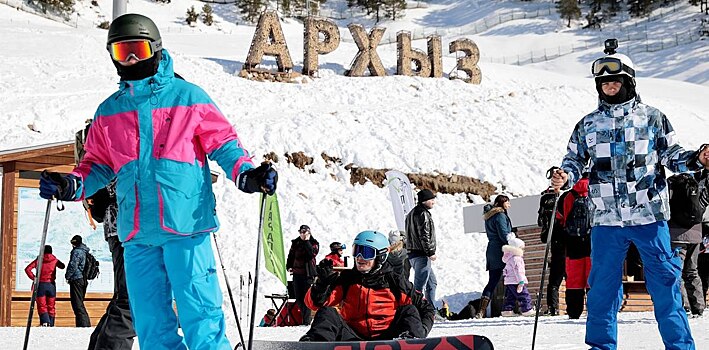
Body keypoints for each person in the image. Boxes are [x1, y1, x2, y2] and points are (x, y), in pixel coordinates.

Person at [38, 13, 277, 350]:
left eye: (137, 49)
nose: (132, 59)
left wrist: (246, 173)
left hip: (186, 227)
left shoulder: (187, 97)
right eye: (123, 52)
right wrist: (70, 184)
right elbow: (98, 164)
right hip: (137, 234)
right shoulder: (109, 112)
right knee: (151, 328)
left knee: (201, 319)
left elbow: (223, 143)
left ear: (156, 49)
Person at [551, 42, 707, 349]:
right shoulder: (588, 124)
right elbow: (573, 160)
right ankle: (601, 345)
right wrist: (564, 175)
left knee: (664, 283)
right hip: (607, 219)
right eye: (604, 82)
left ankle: (680, 346)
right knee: (602, 289)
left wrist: (696, 159)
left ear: (629, 82)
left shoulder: (652, 118)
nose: (610, 86)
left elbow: (672, 154)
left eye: (616, 80)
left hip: (648, 215)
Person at [300, 230, 435, 341]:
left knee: (409, 310)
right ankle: (315, 344)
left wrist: (421, 332)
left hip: (389, 338)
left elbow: (426, 308)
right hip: (353, 338)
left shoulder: (395, 282)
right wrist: (322, 284)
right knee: (327, 312)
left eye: (366, 252)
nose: (359, 257)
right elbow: (313, 304)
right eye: (356, 250)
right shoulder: (348, 279)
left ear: (380, 256)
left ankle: (412, 341)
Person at [88, 180, 137, 349]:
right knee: (130, 298)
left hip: (120, 228)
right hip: (129, 227)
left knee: (125, 297)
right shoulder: (119, 156)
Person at [668, 170, 709, 317]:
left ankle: (683, 305)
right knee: (692, 271)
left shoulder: (671, 184)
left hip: (676, 234)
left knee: (676, 272)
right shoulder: (697, 184)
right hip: (696, 234)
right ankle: (698, 307)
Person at [556, 175, 592, 319]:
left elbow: (560, 219)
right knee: (593, 277)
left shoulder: (567, 196)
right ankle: (595, 310)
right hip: (593, 241)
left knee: (574, 278)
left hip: (572, 243)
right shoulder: (597, 192)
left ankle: (574, 311)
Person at [477, 194, 514, 318]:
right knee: (512, 278)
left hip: (491, 250)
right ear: (502, 203)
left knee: (492, 281)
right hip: (501, 251)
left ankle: (481, 310)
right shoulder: (500, 216)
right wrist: (514, 244)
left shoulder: (490, 217)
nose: (509, 205)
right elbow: (504, 234)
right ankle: (509, 308)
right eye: (508, 202)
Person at [405, 189, 438, 308]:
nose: (434, 201)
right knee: (419, 287)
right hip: (421, 254)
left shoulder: (411, 213)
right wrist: (430, 252)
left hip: (413, 254)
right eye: (431, 199)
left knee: (432, 283)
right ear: (425, 201)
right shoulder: (422, 214)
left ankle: (431, 310)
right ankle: (416, 311)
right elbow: (424, 235)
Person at [286, 224, 319, 325]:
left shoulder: (313, 243)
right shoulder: (295, 243)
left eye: (304, 232)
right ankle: (305, 319)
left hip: (308, 274)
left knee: (306, 298)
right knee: (298, 298)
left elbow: (311, 254)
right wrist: (289, 266)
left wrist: (306, 242)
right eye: (300, 232)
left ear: (309, 233)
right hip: (297, 274)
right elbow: (291, 255)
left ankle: (306, 321)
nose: (302, 234)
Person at [24, 245, 65, 327]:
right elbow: (62, 266)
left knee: (42, 305)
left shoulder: (39, 260)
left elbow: (27, 269)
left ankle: (45, 322)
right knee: (51, 306)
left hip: (41, 285)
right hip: (51, 285)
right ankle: (51, 323)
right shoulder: (55, 260)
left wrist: (34, 278)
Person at [501, 238, 534, 317]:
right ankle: (527, 309)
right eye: (522, 248)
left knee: (511, 296)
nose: (523, 250)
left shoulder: (509, 258)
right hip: (517, 281)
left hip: (510, 281)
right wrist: (521, 281)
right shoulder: (516, 258)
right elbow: (518, 271)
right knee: (524, 295)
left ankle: (507, 310)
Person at [66, 235, 91, 327]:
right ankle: (82, 324)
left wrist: (67, 276)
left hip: (77, 279)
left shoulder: (77, 252)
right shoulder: (84, 251)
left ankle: (84, 325)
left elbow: (73, 265)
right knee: (79, 303)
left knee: (77, 304)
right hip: (83, 279)